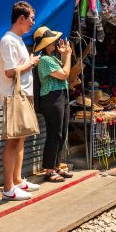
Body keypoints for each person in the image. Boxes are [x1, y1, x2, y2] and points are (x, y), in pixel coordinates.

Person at [0, 2, 41, 201]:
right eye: (31, 18)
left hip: (23, 94)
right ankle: (8, 188)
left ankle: (17, 180)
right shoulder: (8, 40)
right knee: (13, 141)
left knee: (20, 139)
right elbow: (9, 72)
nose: (33, 22)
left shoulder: (18, 39)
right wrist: (29, 63)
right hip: (13, 96)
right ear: (21, 18)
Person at [34, 26, 73, 183]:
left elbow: (64, 70)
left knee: (62, 133)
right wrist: (68, 55)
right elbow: (64, 74)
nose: (56, 43)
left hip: (61, 96)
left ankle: (56, 166)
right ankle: (49, 170)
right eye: (52, 41)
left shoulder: (53, 58)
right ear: (45, 44)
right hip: (51, 98)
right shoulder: (44, 60)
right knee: (54, 134)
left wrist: (64, 55)